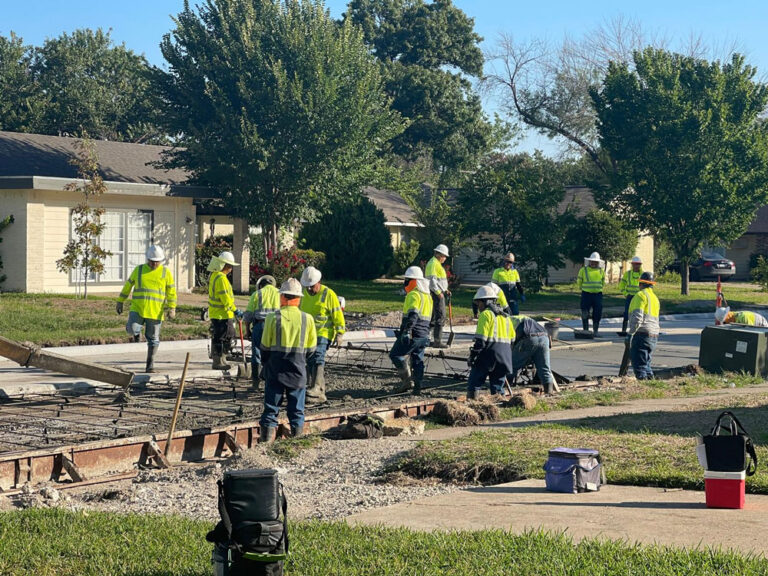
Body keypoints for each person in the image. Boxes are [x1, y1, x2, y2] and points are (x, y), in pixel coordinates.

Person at [258, 278, 317, 442]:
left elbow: (264, 347)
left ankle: (266, 443)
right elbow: (312, 350)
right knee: (297, 410)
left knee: (270, 409)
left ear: (282, 296)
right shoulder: (308, 319)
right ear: (299, 298)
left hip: (275, 369)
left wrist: (267, 365)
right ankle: (297, 441)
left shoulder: (272, 318)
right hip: (298, 370)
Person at [116, 245, 177, 373]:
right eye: (152, 261)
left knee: (153, 339)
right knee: (132, 329)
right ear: (147, 259)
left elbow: (171, 292)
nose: (154, 263)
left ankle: (150, 365)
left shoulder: (166, 273)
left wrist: (172, 308)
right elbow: (128, 285)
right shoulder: (139, 270)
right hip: (138, 308)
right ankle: (137, 334)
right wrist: (120, 301)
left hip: (155, 312)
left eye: (157, 261)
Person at [299, 266, 345, 403]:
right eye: (307, 286)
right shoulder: (304, 294)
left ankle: (318, 388)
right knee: (309, 359)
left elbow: (337, 314)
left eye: (311, 286)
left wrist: (340, 333)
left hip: (323, 332)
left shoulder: (328, 294)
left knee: (318, 356)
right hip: (308, 334)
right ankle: (311, 386)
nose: (309, 289)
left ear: (318, 282)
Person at [466, 285, 515, 399]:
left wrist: (473, 357)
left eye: (478, 303)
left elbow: (480, 341)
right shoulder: (506, 317)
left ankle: (473, 406)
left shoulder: (486, 314)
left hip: (489, 355)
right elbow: (512, 340)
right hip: (505, 357)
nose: (478, 307)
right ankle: (500, 406)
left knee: (474, 383)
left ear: (485, 302)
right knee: (497, 387)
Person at [390, 266, 433, 395]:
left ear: (414, 281)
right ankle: (417, 387)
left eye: (407, 280)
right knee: (417, 360)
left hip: (413, 334)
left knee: (395, 355)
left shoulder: (414, 295)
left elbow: (413, 315)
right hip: (423, 335)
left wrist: (406, 331)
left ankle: (407, 381)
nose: (406, 282)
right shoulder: (428, 297)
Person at [208, 251, 243, 371]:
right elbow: (225, 299)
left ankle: (221, 359)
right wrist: (235, 310)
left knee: (221, 337)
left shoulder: (215, 276)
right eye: (230, 266)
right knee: (224, 337)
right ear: (225, 266)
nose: (231, 268)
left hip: (217, 313)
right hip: (222, 314)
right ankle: (218, 361)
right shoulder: (221, 279)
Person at [244, 275, 279, 388]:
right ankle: (270, 381)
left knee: (257, 353)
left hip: (260, 325)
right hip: (276, 326)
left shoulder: (257, 294)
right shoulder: (280, 294)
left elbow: (248, 315)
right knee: (273, 353)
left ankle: (255, 382)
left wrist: (247, 330)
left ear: (260, 284)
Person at [510, 315, 556, 394]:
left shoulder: (503, 323)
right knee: (544, 368)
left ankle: (505, 388)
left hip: (529, 338)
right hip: (545, 337)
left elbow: (509, 342)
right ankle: (549, 393)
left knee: (511, 365)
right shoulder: (517, 318)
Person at [627, 272, 660, 380]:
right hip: (653, 335)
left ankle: (644, 389)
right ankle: (651, 385)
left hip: (642, 334)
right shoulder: (655, 298)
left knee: (639, 366)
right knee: (646, 365)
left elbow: (637, 318)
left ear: (640, 283)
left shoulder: (640, 295)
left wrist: (631, 334)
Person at [425, 244, 451, 348]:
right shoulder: (433, 263)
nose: (445, 258)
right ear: (438, 254)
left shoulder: (435, 263)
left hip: (438, 292)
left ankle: (428, 339)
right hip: (436, 294)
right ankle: (437, 341)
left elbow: (439, 280)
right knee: (440, 316)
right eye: (444, 256)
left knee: (433, 317)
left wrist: (445, 290)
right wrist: (438, 293)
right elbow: (432, 281)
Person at [577, 252, 606, 336]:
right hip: (586, 294)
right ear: (589, 261)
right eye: (592, 261)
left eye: (595, 262)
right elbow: (579, 281)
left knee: (597, 313)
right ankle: (586, 330)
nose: (593, 263)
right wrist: (583, 289)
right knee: (585, 312)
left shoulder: (601, 271)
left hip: (597, 295)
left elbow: (603, 282)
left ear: (598, 263)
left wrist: (598, 289)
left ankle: (595, 331)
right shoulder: (583, 270)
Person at [618, 256, 643, 336]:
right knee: (626, 313)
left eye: (638, 264)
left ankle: (638, 330)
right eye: (635, 264)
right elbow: (622, 285)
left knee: (638, 314)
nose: (636, 266)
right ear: (632, 265)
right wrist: (625, 293)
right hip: (630, 297)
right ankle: (624, 330)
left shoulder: (643, 275)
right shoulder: (627, 274)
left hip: (639, 298)